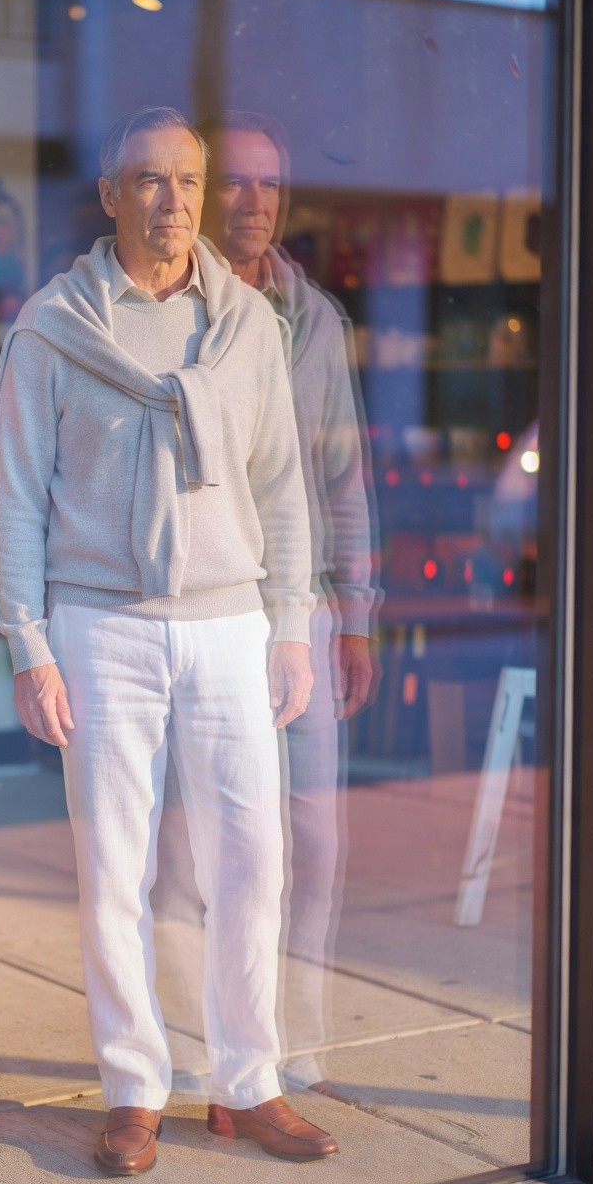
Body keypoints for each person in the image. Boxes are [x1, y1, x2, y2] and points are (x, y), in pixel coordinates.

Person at [0, 106, 339, 1175]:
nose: (175, 201)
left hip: (231, 624)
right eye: (150, 180)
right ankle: (135, 1089)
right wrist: (28, 644)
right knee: (116, 872)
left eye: (187, 182)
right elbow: (14, 501)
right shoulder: (53, 328)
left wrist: (291, 625)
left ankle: (250, 1082)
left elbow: (282, 490)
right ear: (110, 196)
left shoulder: (248, 329)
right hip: (103, 629)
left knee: (254, 864)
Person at [154, 111, 380, 1096]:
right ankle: (195, 1052)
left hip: (304, 615)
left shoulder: (316, 318)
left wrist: (357, 616)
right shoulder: (170, 306)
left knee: (313, 839)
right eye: (235, 184)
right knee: (191, 844)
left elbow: (342, 479)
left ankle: (298, 1033)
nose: (253, 203)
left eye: (269, 186)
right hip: (204, 609)